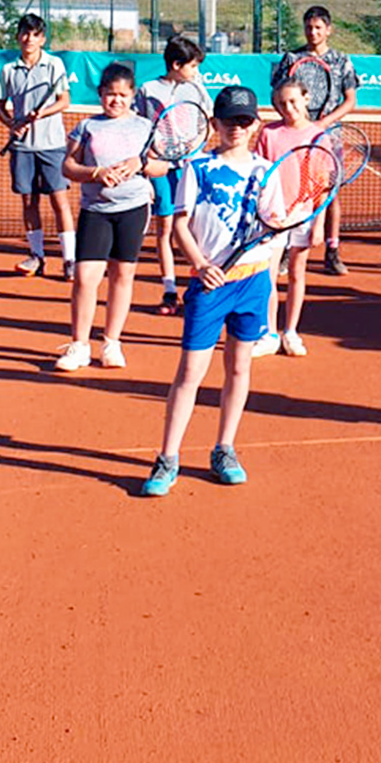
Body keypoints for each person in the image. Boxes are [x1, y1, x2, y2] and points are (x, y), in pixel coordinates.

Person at [141, 86, 277, 496]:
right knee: (190, 373)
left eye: (245, 121)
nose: (237, 128)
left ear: (255, 125)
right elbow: (180, 226)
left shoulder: (266, 170)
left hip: (253, 282)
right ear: (215, 123)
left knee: (239, 368)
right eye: (230, 120)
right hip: (209, 284)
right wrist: (200, 265)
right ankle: (168, 458)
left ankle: (225, 449)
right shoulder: (198, 167)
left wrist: (280, 225)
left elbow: (274, 223)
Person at [53, 63, 168, 372]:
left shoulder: (145, 127)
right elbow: (68, 166)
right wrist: (96, 173)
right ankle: (79, 346)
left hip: (133, 209)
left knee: (122, 275)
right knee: (85, 278)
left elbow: (162, 167)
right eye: (109, 94)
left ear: (132, 95)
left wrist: (140, 164)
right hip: (96, 212)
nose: (116, 100)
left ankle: (111, 343)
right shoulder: (86, 127)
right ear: (100, 94)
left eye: (122, 95)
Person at [272, 6, 359, 275]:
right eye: (309, 27)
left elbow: (350, 100)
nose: (313, 32)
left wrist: (322, 124)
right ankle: (286, 248)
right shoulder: (291, 59)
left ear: (328, 30)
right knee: (290, 189)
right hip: (294, 136)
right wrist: (296, 123)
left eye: (318, 28)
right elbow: (277, 96)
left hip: (328, 137)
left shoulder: (341, 60)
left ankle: (332, 251)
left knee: (329, 193)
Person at [0, 13, 74, 279]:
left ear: (43, 39)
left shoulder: (54, 65)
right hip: (22, 147)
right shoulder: (8, 70)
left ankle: (70, 259)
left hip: (52, 145)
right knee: (29, 200)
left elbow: (64, 101)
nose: (29, 39)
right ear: (18, 36)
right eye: (25, 33)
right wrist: (12, 124)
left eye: (35, 35)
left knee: (59, 200)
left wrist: (43, 113)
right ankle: (37, 256)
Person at [137, 36, 211, 316]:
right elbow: (140, 127)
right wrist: (150, 159)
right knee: (165, 228)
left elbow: (206, 123)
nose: (196, 71)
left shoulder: (196, 88)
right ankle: (169, 290)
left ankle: (201, 285)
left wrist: (196, 144)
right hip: (161, 168)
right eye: (192, 66)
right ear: (176, 65)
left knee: (196, 227)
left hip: (190, 168)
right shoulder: (147, 90)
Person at [257, 77, 325, 356]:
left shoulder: (318, 136)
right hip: (273, 215)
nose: (289, 108)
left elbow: (322, 184)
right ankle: (269, 333)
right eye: (282, 104)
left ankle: (291, 332)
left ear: (306, 99)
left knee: (297, 273)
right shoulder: (268, 134)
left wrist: (319, 223)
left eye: (294, 101)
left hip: (303, 214)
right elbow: (259, 174)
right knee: (268, 275)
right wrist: (267, 212)